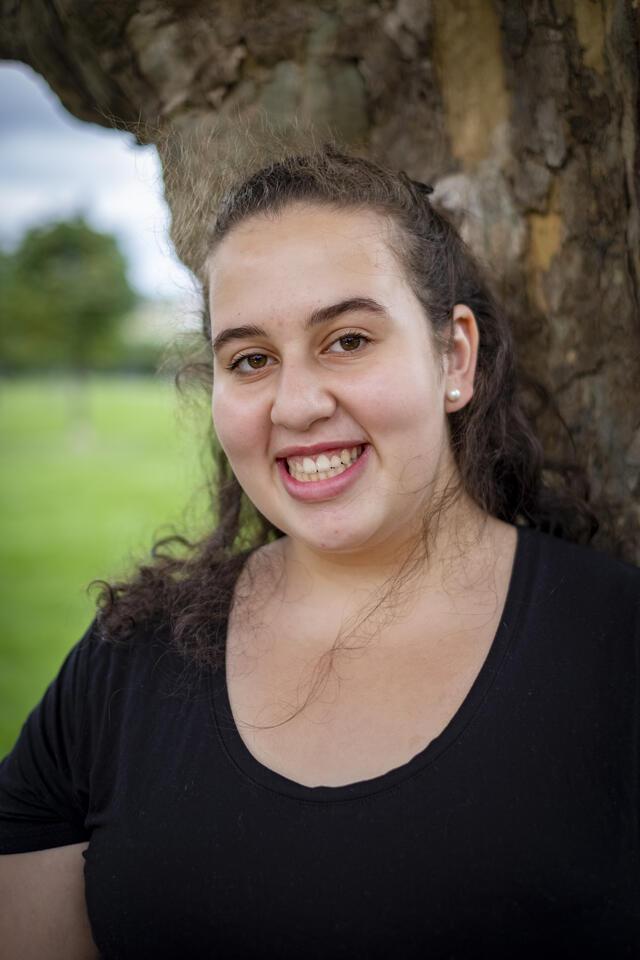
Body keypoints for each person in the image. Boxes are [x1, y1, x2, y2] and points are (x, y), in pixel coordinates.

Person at [1, 146, 638, 959]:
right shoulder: (125, 665)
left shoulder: (615, 645)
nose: (297, 405)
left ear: (455, 357)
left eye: (346, 340)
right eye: (252, 360)